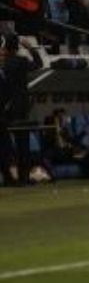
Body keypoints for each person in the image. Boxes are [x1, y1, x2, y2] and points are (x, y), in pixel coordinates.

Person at [0, 34, 43, 186]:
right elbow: (39, 63)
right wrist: (31, 48)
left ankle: (8, 177)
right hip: (22, 106)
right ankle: (23, 178)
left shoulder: (4, 64)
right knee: (22, 143)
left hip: (6, 107)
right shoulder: (21, 61)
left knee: (5, 144)